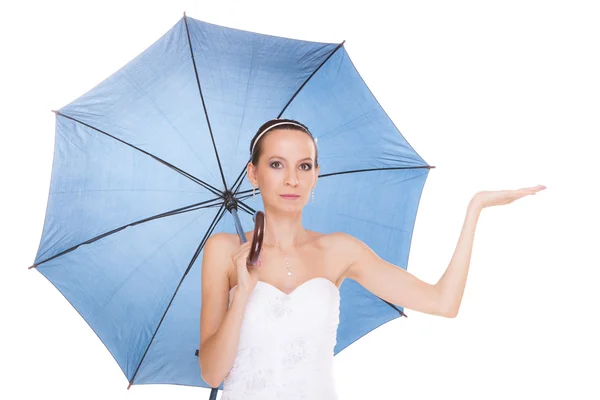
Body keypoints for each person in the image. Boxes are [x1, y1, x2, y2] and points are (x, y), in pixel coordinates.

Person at [198, 118, 546, 399]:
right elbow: (212, 373)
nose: (292, 179)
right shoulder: (225, 250)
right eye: (276, 164)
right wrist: (243, 292)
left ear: (316, 174)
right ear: (253, 173)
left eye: (304, 166)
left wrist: (475, 209)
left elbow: (443, 302)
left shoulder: (339, 250)